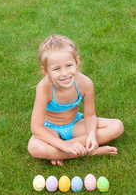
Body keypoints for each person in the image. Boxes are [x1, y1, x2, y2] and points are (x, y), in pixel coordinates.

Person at [27, 35, 124, 166]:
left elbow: (90, 115)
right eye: (56, 69)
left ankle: (58, 153)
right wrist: (63, 145)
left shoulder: (85, 83)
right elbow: (36, 128)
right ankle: (90, 151)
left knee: (116, 126)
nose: (65, 73)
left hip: (74, 125)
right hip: (50, 130)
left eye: (68, 65)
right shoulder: (45, 88)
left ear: (77, 62)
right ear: (45, 71)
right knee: (34, 147)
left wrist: (91, 136)